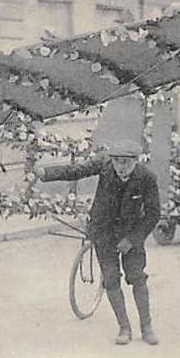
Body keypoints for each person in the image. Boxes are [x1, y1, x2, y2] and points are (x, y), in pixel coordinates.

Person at [35, 139, 161, 345]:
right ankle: (124, 328)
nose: (120, 167)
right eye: (117, 161)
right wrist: (46, 173)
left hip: (131, 234)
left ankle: (146, 327)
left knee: (137, 277)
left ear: (135, 162)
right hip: (103, 232)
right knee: (111, 279)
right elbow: (75, 171)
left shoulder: (147, 177)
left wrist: (132, 240)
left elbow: (153, 215)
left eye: (126, 163)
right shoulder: (103, 165)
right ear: (111, 160)